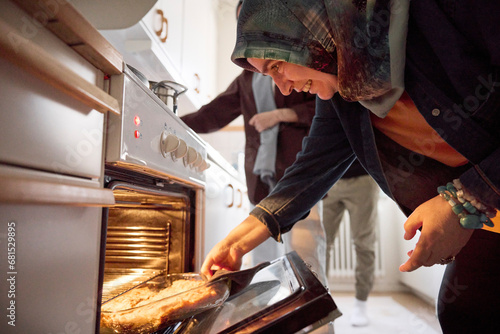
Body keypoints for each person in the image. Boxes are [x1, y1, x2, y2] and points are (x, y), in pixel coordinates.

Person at [201, 0, 500, 333]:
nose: (282, 87)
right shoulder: (345, 89)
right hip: (491, 217)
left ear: (305, 29)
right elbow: (311, 169)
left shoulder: (445, 12)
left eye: (275, 66)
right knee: (463, 312)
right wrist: (236, 244)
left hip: (483, 201)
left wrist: (467, 198)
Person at [182, 0, 332, 292]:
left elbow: (326, 111)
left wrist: (283, 114)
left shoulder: (306, 67)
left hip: (300, 177)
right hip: (260, 183)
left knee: (306, 263)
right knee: (264, 271)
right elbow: (212, 114)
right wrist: (171, 122)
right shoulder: (246, 79)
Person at [323, 162, 379, 327]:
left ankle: (361, 303)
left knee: (364, 244)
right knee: (321, 245)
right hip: (328, 177)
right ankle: (321, 303)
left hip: (363, 178)